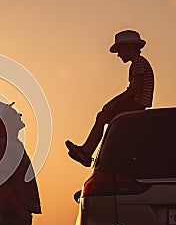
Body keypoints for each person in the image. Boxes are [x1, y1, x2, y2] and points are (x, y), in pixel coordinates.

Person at [66, 30, 154, 167]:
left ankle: (86, 152)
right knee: (107, 120)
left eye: (120, 50)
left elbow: (134, 90)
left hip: (136, 104)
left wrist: (113, 102)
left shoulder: (138, 63)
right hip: (137, 103)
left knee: (102, 116)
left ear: (129, 47)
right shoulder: (140, 62)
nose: (119, 54)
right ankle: (87, 151)